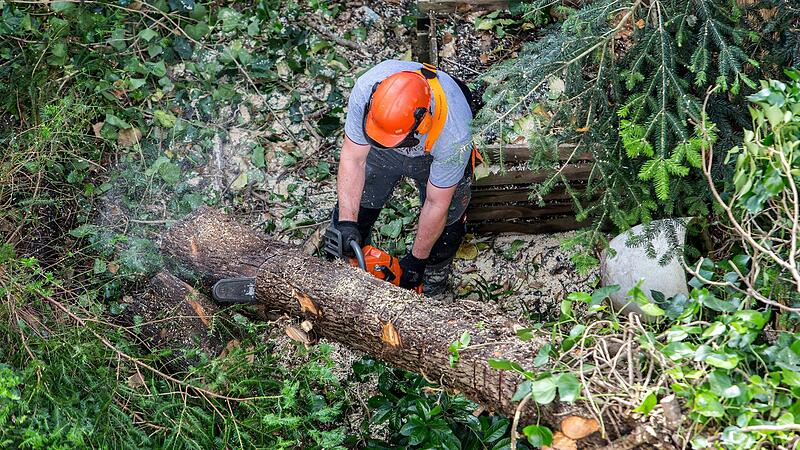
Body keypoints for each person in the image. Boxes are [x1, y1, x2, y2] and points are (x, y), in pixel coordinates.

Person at [331, 59, 476, 296]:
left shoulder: (455, 135)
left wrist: (416, 260)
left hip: (433, 155)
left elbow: (436, 202)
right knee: (356, 210)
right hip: (379, 151)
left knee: (448, 224)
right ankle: (345, 269)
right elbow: (353, 159)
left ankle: (432, 282)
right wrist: (348, 223)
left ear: (423, 122)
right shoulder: (366, 88)